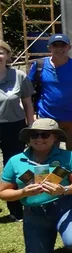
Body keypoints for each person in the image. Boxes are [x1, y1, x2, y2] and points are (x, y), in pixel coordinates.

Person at [0, 119, 72, 253]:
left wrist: (63, 190)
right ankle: (48, 237)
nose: (39, 139)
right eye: (35, 135)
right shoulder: (15, 161)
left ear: (55, 137)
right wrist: (22, 192)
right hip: (35, 213)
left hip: (66, 206)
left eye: (45, 135)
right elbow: (3, 192)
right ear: (29, 138)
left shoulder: (67, 157)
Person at [28, 34, 72, 147]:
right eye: (55, 45)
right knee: (47, 152)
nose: (59, 49)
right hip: (46, 116)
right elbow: (28, 91)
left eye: (63, 45)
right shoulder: (39, 65)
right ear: (49, 48)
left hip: (71, 118)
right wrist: (31, 116)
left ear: (69, 47)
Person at [0, 39, 35, 220]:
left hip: (14, 126)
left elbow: (28, 104)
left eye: (1, 52)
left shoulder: (19, 76)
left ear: (7, 55)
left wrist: (31, 128)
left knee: (12, 166)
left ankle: (16, 208)